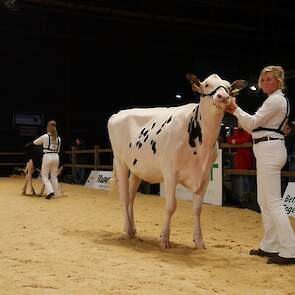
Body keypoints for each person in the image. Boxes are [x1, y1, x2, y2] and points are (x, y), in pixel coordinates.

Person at [226, 65, 295, 265]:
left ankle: (290, 249)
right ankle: (270, 244)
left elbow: (252, 124)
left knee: (272, 202)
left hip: (270, 150)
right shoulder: (275, 100)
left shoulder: (275, 100)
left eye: (270, 79)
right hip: (267, 149)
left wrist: (235, 109)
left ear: (279, 81)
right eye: (263, 79)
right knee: (264, 201)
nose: (265, 82)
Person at [226, 125, 255, 207]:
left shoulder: (248, 130)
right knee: (242, 178)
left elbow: (245, 140)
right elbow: (229, 139)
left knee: (247, 178)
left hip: (246, 157)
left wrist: (235, 141)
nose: (239, 124)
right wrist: (234, 141)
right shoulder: (237, 131)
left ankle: (249, 199)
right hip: (240, 157)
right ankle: (244, 199)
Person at [33, 120, 62, 199]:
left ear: (48, 127)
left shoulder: (45, 136)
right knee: (54, 176)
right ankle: (56, 194)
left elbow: (35, 142)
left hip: (47, 156)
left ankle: (50, 191)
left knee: (45, 176)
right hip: (56, 156)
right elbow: (59, 150)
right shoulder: (59, 139)